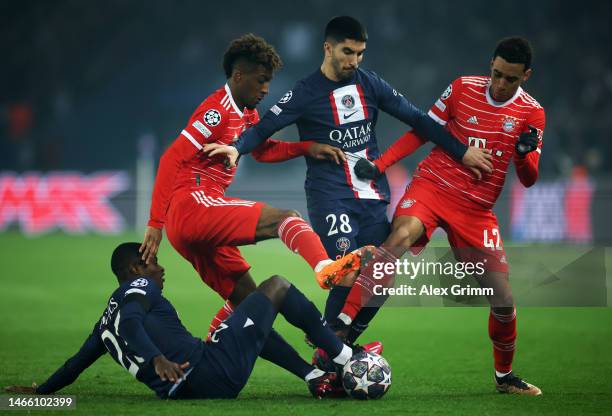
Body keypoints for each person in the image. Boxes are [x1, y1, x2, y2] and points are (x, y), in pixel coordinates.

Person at [204, 16, 493, 345]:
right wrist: (236, 148)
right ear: (328, 48)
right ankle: (331, 352)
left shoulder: (370, 84)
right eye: (347, 52)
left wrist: (461, 151)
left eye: (360, 53)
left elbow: (417, 119)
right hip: (331, 197)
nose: (354, 61)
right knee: (348, 269)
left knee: (381, 278)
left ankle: (338, 343)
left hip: (371, 196)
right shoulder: (305, 92)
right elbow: (263, 128)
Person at [138, 33, 364, 381]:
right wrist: (155, 223)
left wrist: (307, 148)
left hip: (193, 224)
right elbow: (171, 159)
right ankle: (324, 268)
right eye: (261, 81)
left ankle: (313, 375)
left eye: (269, 82)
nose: (265, 89)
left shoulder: (246, 113)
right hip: (194, 203)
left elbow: (262, 150)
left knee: (253, 305)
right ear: (239, 76)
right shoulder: (217, 111)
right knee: (286, 219)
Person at [345, 37, 544, 396]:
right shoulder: (462, 88)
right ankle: (342, 329)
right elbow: (423, 130)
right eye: (496, 74)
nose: (499, 84)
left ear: (525, 76)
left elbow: (529, 180)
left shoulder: (532, 113)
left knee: (503, 301)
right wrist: (380, 165)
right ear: (491, 65)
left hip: (476, 210)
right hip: (433, 187)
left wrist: (523, 156)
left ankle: (504, 376)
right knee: (398, 238)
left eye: (510, 79)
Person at [4, 243, 358, 399]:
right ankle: (342, 356)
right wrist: (157, 358)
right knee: (276, 286)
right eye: (153, 262)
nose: (160, 268)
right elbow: (131, 323)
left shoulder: (103, 323)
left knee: (246, 319)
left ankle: (314, 377)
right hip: (210, 371)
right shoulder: (138, 288)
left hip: (186, 389)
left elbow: (74, 365)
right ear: (134, 270)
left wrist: (40, 394)